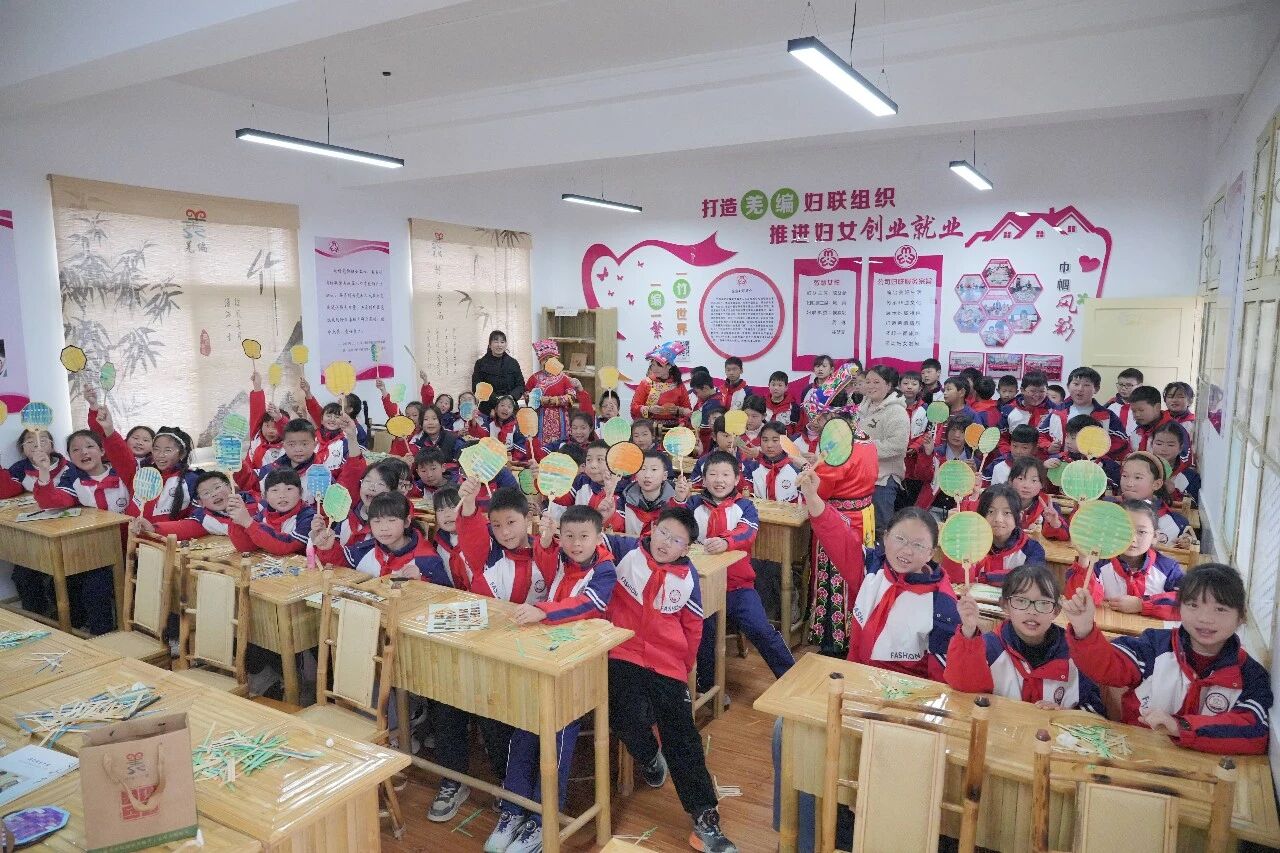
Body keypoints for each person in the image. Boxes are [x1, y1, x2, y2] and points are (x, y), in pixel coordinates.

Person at [604, 507, 740, 853]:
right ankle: (650, 756)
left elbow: (693, 628)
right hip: (622, 652)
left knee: (682, 735)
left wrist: (682, 667)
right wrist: (603, 514)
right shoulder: (625, 551)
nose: (666, 542)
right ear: (652, 528)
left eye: (677, 540)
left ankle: (705, 818)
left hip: (667, 664)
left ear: (687, 547)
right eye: (663, 532)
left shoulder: (687, 576)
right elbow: (586, 540)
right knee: (622, 712)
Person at [486, 505, 618, 853]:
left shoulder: (605, 570)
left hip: (580, 667)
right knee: (525, 727)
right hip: (547, 655)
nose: (576, 544)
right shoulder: (562, 558)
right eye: (569, 536)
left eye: (584, 536)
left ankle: (543, 818)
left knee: (558, 735)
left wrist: (542, 610)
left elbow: (588, 605)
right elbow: (545, 564)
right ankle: (513, 809)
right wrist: (545, 541)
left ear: (599, 537)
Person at [1063, 564, 1271, 754]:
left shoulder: (1250, 675)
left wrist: (1181, 727)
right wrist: (1084, 630)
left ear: (1241, 617)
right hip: (1138, 755)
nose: (1205, 619)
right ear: (1179, 609)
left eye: (1220, 609)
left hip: (1206, 771)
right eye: (1193, 605)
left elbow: (1253, 732)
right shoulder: (1154, 647)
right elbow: (1107, 665)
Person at [799, 468, 959, 678]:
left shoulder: (941, 603)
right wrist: (812, 496)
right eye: (900, 539)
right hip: (858, 680)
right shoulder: (872, 568)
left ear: (931, 553)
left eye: (918, 545)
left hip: (906, 692)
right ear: (885, 537)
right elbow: (837, 534)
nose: (907, 550)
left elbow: (941, 678)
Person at [674, 452, 795, 688]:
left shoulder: (744, 506)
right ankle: (708, 687)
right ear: (703, 479)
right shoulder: (693, 504)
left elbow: (747, 532)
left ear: (737, 478)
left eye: (725, 475)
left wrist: (726, 541)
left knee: (760, 629)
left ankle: (791, 680)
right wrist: (679, 501)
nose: (719, 480)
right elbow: (675, 527)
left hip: (738, 586)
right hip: (701, 588)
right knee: (703, 635)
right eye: (713, 474)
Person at [31, 404, 135, 634]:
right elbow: (51, 501)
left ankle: (105, 630)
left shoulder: (123, 473)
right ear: (70, 457)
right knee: (74, 581)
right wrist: (44, 471)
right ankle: (93, 630)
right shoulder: (74, 480)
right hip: (95, 549)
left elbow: (123, 456)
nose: (83, 452)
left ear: (102, 450)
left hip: (130, 546)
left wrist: (109, 431)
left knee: (97, 584)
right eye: (75, 450)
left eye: (89, 446)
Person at [947, 564, 1103, 711]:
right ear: (1005, 605)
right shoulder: (989, 647)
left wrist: (1063, 716)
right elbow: (963, 693)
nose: (1032, 611)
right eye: (1021, 601)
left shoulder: (1076, 655)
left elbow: (1094, 711)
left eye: (1043, 603)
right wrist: (968, 631)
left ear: (1056, 610)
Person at [1064, 500, 1183, 618]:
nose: (1132, 539)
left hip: (1151, 631)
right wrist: (1084, 560)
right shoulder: (1097, 563)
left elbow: (1186, 602)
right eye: (1124, 530)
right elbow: (1080, 602)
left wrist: (1141, 605)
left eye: (1141, 532)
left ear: (1155, 536)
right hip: (1106, 628)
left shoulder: (1168, 568)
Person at [311, 491, 449, 581]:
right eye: (377, 521)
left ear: (407, 521)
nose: (384, 528)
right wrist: (328, 548)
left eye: (391, 520)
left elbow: (444, 596)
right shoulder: (364, 550)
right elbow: (340, 565)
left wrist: (421, 581)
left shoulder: (427, 559)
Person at [940, 484, 1045, 586]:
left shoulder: (1032, 549)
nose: (998, 519)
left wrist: (984, 578)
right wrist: (955, 537)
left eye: (1007, 513)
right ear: (980, 515)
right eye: (990, 511)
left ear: (1020, 516)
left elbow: (1032, 577)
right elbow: (954, 580)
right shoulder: (971, 543)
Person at [857, 365, 909, 538]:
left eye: (876, 382)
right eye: (868, 381)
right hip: (861, 478)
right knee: (862, 529)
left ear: (888, 385)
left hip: (883, 481)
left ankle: (882, 557)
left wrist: (863, 447)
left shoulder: (897, 411)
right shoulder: (863, 407)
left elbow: (897, 445)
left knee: (880, 529)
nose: (870, 386)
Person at [1038, 367, 1126, 459]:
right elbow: (1041, 436)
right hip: (1061, 463)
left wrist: (1099, 451)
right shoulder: (1057, 412)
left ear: (1096, 389)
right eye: (1076, 384)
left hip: (1094, 465)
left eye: (1086, 385)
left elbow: (1121, 441)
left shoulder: (1107, 416)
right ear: (1068, 386)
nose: (1080, 389)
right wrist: (1049, 446)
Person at [141, 471, 258, 540]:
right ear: (201, 503)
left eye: (217, 487)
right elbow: (183, 527)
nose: (214, 494)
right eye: (206, 493)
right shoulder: (205, 519)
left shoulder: (256, 501)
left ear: (230, 486)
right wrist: (153, 528)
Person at [226, 468, 315, 556]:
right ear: (265, 496)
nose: (282, 495)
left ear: (301, 492)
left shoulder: (308, 517)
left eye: (289, 489)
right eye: (275, 490)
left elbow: (286, 546)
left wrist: (248, 522)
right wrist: (237, 520)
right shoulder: (264, 513)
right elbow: (246, 547)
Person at [1118, 451, 1193, 547]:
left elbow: (1188, 540)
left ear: (1156, 484)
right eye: (1124, 476)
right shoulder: (1109, 509)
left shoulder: (1174, 522)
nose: (1129, 483)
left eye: (1137, 477)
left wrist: (1186, 540)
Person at [127, 426, 200, 525]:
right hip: (133, 533)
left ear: (182, 454)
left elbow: (198, 520)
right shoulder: (144, 474)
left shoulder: (191, 480)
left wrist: (158, 529)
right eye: (156, 449)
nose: (160, 455)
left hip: (168, 535)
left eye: (168, 450)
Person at [524, 339, 581, 448]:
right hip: (539, 417)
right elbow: (526, 395)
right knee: (540, 447)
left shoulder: (564, 378)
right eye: (544, 359)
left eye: (550, 358)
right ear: (540, 361)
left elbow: (572, 396)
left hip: (560, 417)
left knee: (561, 447)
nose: (547, 361)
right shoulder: (534, 378)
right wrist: (536, 399)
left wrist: (553, 400)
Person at [630, 341, 691, 426]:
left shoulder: (678, 385)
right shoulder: (645, 383)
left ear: (669, 366)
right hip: (650, 428)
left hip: (674, 429)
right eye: (653, 365)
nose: (655, 369)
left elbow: (688, 411)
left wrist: (679, 410)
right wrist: (649, 409)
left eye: (659, 365)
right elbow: (634, 408)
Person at [1006, 456, 1068, 540]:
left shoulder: (1049, 507)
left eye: (1034, 480)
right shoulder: (998, 502)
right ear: (1010, 481)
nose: (1026, 485)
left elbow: (1064, 537)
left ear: (1042, 484)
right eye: (1021, 479)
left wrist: (1055, 524)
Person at [997, 370, 1056, 452]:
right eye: (1032, 391)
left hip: (1045, 457)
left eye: (1042, 391)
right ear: (1022, 390)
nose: (1037, 395)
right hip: (1014, 456)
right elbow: (1002, 439)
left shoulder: (1054, 411)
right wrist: (1009, 454)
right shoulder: (1008, 410)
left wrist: (1050, 448)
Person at [619, 450, 675, 536]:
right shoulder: (624, 500)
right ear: (636, 474)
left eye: (654, 469)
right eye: (643, 469)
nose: (647, 475)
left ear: (665, 476)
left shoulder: (674, 502)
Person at [472, 330, 526, 417]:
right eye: (496, 341)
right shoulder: (481, 363)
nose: (499, 345)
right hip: (488, 409)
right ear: (490, 345)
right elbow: (477, 386)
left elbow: (520, 385)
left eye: (502, 342)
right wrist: (496, 399)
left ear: (506, 344)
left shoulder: (513, 363)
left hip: (510, 408)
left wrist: (511, 397)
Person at [1149, 421, 1200, 504]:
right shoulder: (1141, 468)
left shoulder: (1190, 477)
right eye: (1159, 444)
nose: (1163, 449)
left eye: (1170, 445)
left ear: (1180, 448)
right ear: (1152, 445)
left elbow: (1194, 505)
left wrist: (1173, 492)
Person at [765, 370, 803, 435]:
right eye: (773, 384)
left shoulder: (793, 408)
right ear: (769, 386)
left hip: (786, 440)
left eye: (780, 385)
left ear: (786, 387)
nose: (776, 388)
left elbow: (798, 431)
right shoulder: (762, 404)